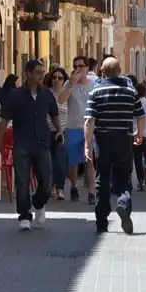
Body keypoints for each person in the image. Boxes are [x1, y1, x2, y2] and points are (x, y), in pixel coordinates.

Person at [0, 59, 60, 231]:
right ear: (28, 73)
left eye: (43, 72)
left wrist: (59, 130)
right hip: (22, 143)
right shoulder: (14, 95)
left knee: (46, 181)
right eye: (38, 72)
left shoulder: (46, 94)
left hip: (42, 142)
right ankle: (24, 215)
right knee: (22, 181)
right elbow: (4, 119)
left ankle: (38, 203)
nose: (42, 75)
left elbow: (54, 114)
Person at [84, 57, 145, 234]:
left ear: (102, 72)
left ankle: (102, 221)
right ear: (119, 71)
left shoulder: (97, 91)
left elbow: (89, 120)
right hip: (124, 139)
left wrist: (87, 144)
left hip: (103, 140)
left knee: (102, 180)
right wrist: (139, 134)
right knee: (124, 177)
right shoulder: (130, 90)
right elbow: (141, 115)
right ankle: (123, 202)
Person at [65, 56, 97, 204]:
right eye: (75, 66)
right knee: (73, 162)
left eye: (80, 66)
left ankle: (91, 192)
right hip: (72, 126)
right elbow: (61, 99)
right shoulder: (69, 83)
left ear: (86, 68)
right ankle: (73, 186)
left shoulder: (94, 85)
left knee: (89, 159)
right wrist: (72, 82)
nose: (77, 69)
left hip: (89, 127)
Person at [44, 67, 71, 200]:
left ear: (64, 80)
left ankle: (60, 188)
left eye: (60, 78)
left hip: (62, 132)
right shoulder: (46, 93)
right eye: (54, 77)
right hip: (47, 131)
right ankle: (52, 186)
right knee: (49, 161)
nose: (57, 80)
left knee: (60, 161)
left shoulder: (66, 95)